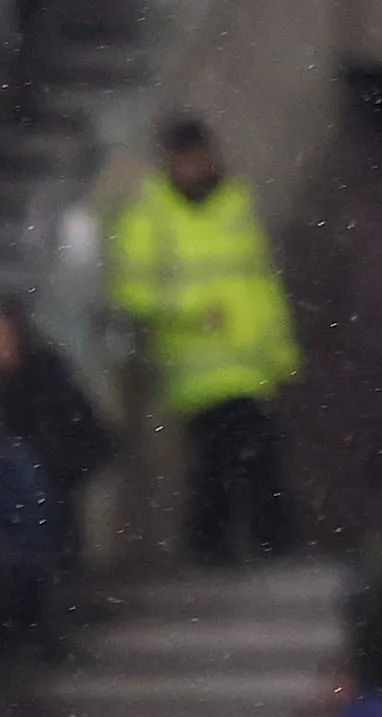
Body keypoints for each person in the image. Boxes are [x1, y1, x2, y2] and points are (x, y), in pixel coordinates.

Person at [106, 116, 300, 565]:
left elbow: (260, 284)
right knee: (228, 456)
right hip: (197, 362)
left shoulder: (235, 205)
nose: (194, 167)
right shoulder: (150, 214)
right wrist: (192, 312)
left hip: (248, 360)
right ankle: (243, 543)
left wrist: (280, 353)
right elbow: (131, 290)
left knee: (246, 454)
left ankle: (238, 543)